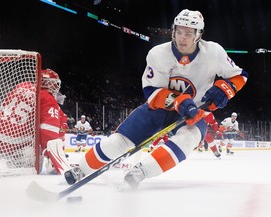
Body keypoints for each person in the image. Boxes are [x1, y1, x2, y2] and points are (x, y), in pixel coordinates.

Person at [64, 9, 249, 188]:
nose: (182, 37)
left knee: (189, 139)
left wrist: (225, 88)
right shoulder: (158, 54)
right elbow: (151, 90)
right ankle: (81, 169)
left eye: (188, 33)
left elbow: (240, 75)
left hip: (194, 113)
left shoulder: (214, 52)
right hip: (158, 109)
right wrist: (179, 101)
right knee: (120, 141)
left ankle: (139, 172)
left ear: (198, 34)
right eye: (178, 31)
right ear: (173, 30)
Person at [39, 68, 71, 174]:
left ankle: (53, 158)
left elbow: (62, 115)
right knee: (56, 133)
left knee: (59, 132)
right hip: (29, 148)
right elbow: (48, 132)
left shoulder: (34, 93)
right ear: (44, 82)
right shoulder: (47, 98)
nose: (57, 87)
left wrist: (63, 122)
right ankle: (53, 159)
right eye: (54, 84)